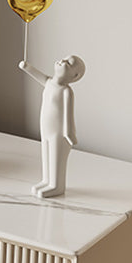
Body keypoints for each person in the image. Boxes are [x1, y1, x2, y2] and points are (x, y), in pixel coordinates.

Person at [19, 56, 86, 198]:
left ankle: (56, 186)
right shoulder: (49, 82)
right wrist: (27, 67)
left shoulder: (66, 92)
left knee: (56, 158)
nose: (62, 61)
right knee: (46, 153)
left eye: (69, 63)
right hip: (45, 128)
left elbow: (68, 114)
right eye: (64, 58)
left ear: (75, 76)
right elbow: (38, 76)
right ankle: (46, 181)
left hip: (59, 133)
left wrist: (69, 133)